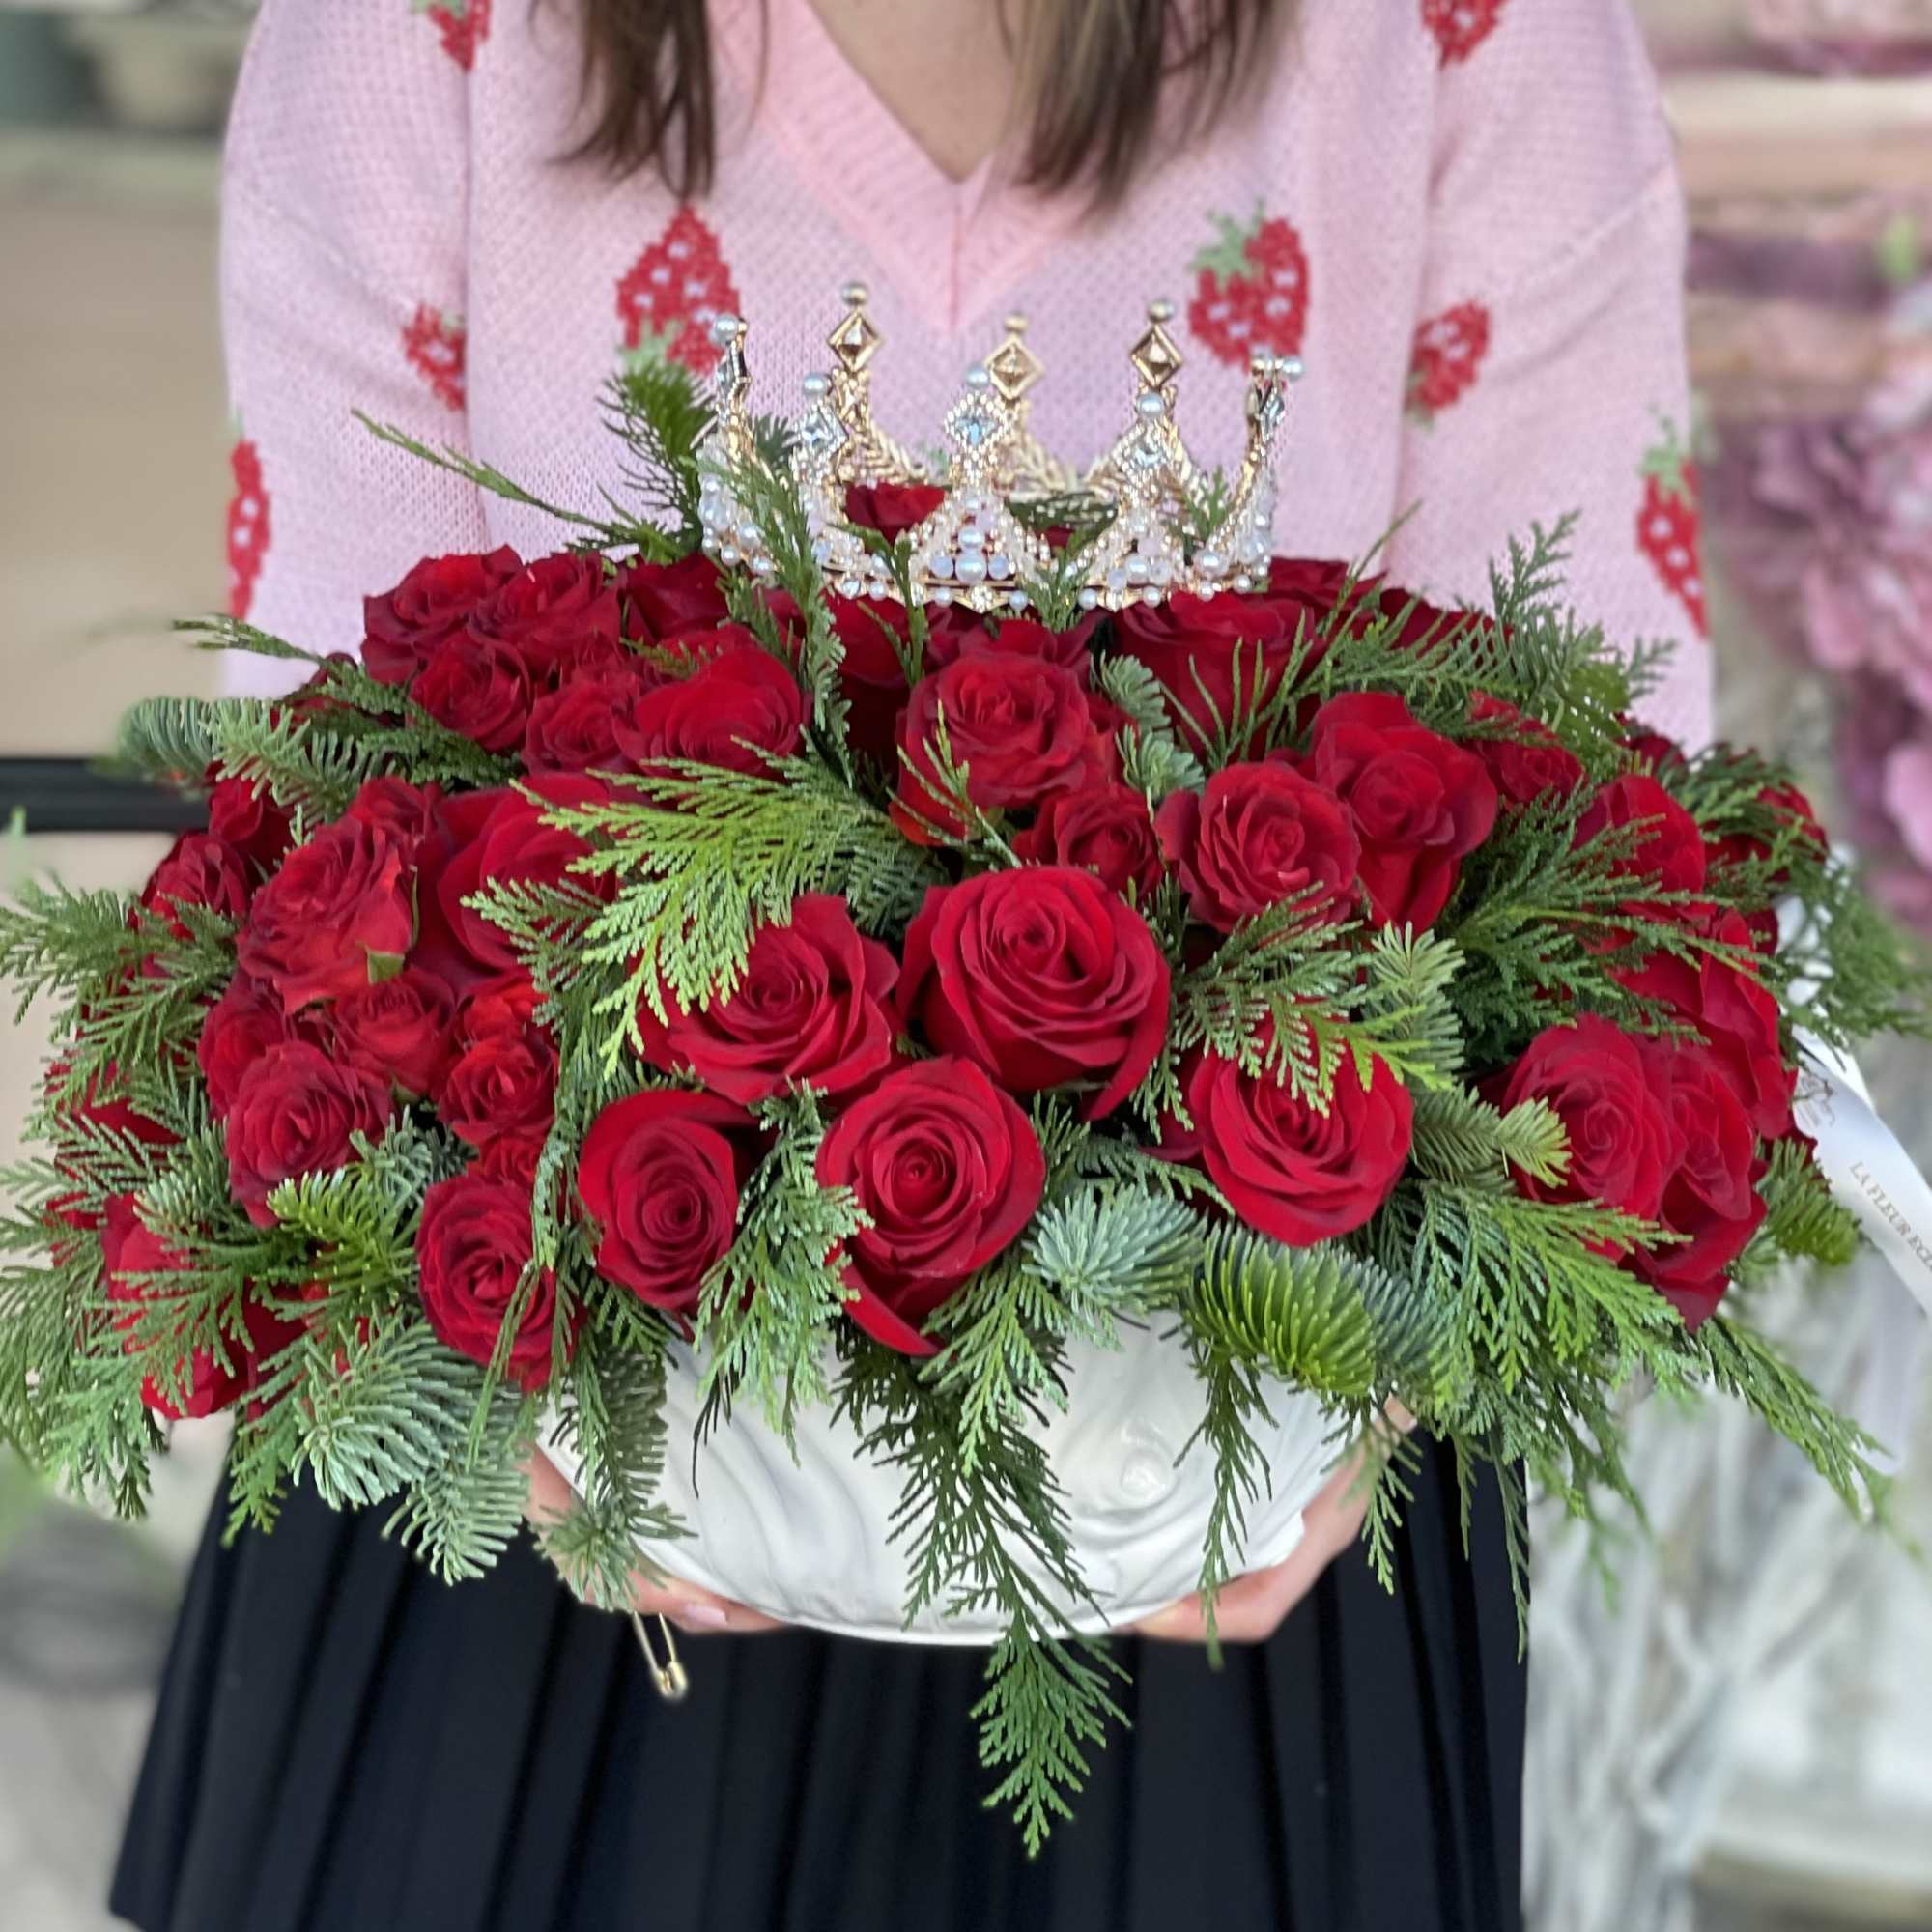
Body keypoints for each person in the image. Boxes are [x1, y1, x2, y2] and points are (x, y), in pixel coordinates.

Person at [111, 1, 1705, 1926]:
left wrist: (1371, 1398)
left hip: (1253, 1472)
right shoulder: (411, 34)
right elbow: (328, 805)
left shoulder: (1468, 37)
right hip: (536, 1465)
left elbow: (1596, 823)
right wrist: (477, 1364)